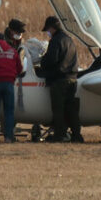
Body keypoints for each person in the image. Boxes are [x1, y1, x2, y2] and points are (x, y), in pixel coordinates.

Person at [38, 15, 82, 143]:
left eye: (48, 30)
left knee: (58, 109)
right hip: (72, 79)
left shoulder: (56, 41)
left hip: (59, 80)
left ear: (52, 28)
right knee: (71, 109)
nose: (48, 32)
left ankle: (60, 135)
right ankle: (76, 135)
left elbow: (51, 59)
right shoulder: (70, 40)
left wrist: (43, 61)